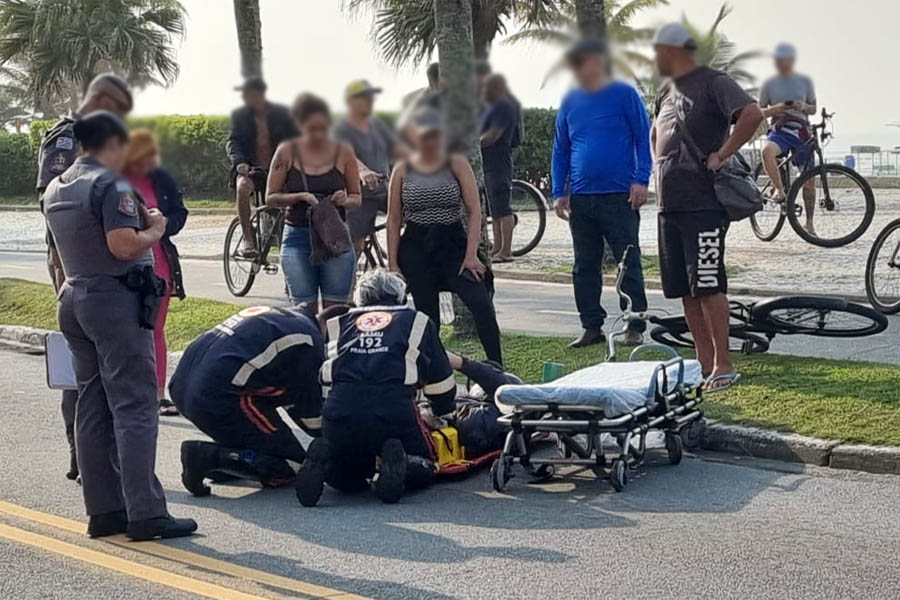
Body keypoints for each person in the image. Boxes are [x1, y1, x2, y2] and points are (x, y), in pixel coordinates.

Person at [43, 111, 197, 541]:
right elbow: (122, 244)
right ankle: (145, 511)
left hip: (74, 295)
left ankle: (105, 509)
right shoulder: (112, 184)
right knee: (134, 404)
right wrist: (155, 229)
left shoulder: (57, 186)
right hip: (114, 298)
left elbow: (57, 254)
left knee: (92, 403)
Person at [651, 23, 764, 392]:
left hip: (703, 203)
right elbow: (658, 137)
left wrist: (722, 154)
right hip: (671, 205)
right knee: (685, 288)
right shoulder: (665, 91)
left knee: (708, 285)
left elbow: (752, 114)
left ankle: (724, 364)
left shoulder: (714, 82)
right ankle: (702, 364)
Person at [35, 72, 133, 482]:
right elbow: (52, 207)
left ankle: (104, 460)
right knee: (80, 376)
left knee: (106, 376)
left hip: (108, 270)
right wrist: (62, 277)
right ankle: (81, 451)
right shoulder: (66, 137)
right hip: (75, 265)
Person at [295, 269, 457, 506]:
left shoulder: (338, 323)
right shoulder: (418, 321)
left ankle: (327, 461)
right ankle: (398, 465)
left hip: (340, 413)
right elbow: (441, 384)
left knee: (348, 480)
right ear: (400, 297)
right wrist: (445, 414)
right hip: (393, 414)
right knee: (428, 466)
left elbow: (322, 378)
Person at [551, 38, 652, 349]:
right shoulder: (570, 100)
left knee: (627, 259)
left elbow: (642, 137)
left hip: (619, 195)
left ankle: (634, 323)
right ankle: (590, 325)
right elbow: (561, 149)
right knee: (584, 264)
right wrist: (558, 191)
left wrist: (641, 180)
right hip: (582, 197)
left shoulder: (623, 94)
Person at [386, 106, 503, 364]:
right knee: (428, 318)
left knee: (480, 303)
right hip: (417, 244)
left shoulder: (456, 163)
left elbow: (474, 212)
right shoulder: (403, 168)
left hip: (453, 242)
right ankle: (435, 374)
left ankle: (497, 367)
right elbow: (393, 219)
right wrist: (393, 264)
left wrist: (472, 255)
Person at [171, 304, 326, 496]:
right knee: (291, 466)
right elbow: (311, 420)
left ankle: (230, 460)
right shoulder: (309, 344)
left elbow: (281, 390)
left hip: (183, 384)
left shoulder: (289, 317)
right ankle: (213, 458)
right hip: (217, 395)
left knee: (257, 430)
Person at [266, 93, 361, 309]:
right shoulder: (286, 151)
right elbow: (270, 197)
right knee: (303, 310)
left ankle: (333, 343)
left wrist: (345, 200)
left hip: (334, 235)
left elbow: (357, 198)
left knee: (336, 309)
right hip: (298, 236)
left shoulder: (344, 151)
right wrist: (299, 197)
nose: (317, 133)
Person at [123, 129, 189, 417]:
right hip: (125, 261)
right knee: (125, 330)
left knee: (155, 329)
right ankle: (128, 391)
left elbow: (180, 213)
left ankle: (158, 394)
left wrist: (161, 223)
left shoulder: (161, 178)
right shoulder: (113, 181)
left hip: (159, 261)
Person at [334, 79, 409, 256]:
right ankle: (349, 282)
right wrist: (363, 171)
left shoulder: (377, 124)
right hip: (360, 193)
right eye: (364, 97)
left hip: (384, 188)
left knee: (415, 217)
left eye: (371, 97)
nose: (370, 101)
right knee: (355, 245)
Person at [226, 77, 297, 257]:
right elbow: (233, 142)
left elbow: (295, 140)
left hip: (278, 171)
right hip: (250, 170)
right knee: (242, 188)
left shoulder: (282, 114)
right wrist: (240, 162)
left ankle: (290, 243)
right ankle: (248, 238)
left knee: (291, 201)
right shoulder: (239, 116)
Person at [758, 43, 818, 233]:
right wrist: (780, 107)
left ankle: (809, 222)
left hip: (801, 131)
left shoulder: (805, 82)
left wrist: (803, 106)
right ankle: (779, 189)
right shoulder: (768, 84)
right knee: (767, 151)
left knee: (809, 182)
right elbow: (760, 112)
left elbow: (814, 108)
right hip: (780, 129)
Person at [480, 74, 518, 262]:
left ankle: (506, 250)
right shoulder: (493, 108)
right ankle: (497, 247)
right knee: (494, 208)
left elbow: (493, 135)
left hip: (498, 162)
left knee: (502, 207)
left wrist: (473, 145)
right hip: (489, 163)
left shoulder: (503, 107)